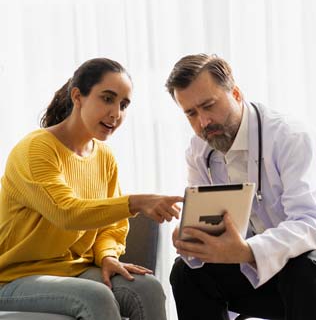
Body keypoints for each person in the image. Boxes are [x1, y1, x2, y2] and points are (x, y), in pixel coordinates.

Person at [0, 58, 183, 320]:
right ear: (78, 96)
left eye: (123, 104)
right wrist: (136, 202)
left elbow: (112, 227)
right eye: (107, 99)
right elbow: (66, 212)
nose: (116, 113)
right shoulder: (35, 149)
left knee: (147, 288)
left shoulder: (104, 157)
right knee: (96, 297)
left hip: (75, 269)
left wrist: (107, 255)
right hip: (13, 277)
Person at [166, 53, 316, 320]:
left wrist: (249, 251)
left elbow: (309, 221)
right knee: (186, 272)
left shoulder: (288, 137)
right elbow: (207, 219)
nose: (203, 122)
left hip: (302, 272)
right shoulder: (199, 149)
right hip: (255, 274)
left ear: (235, 93)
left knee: (302, 270)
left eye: (209, 105)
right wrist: (191, 238)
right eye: (191, 113)